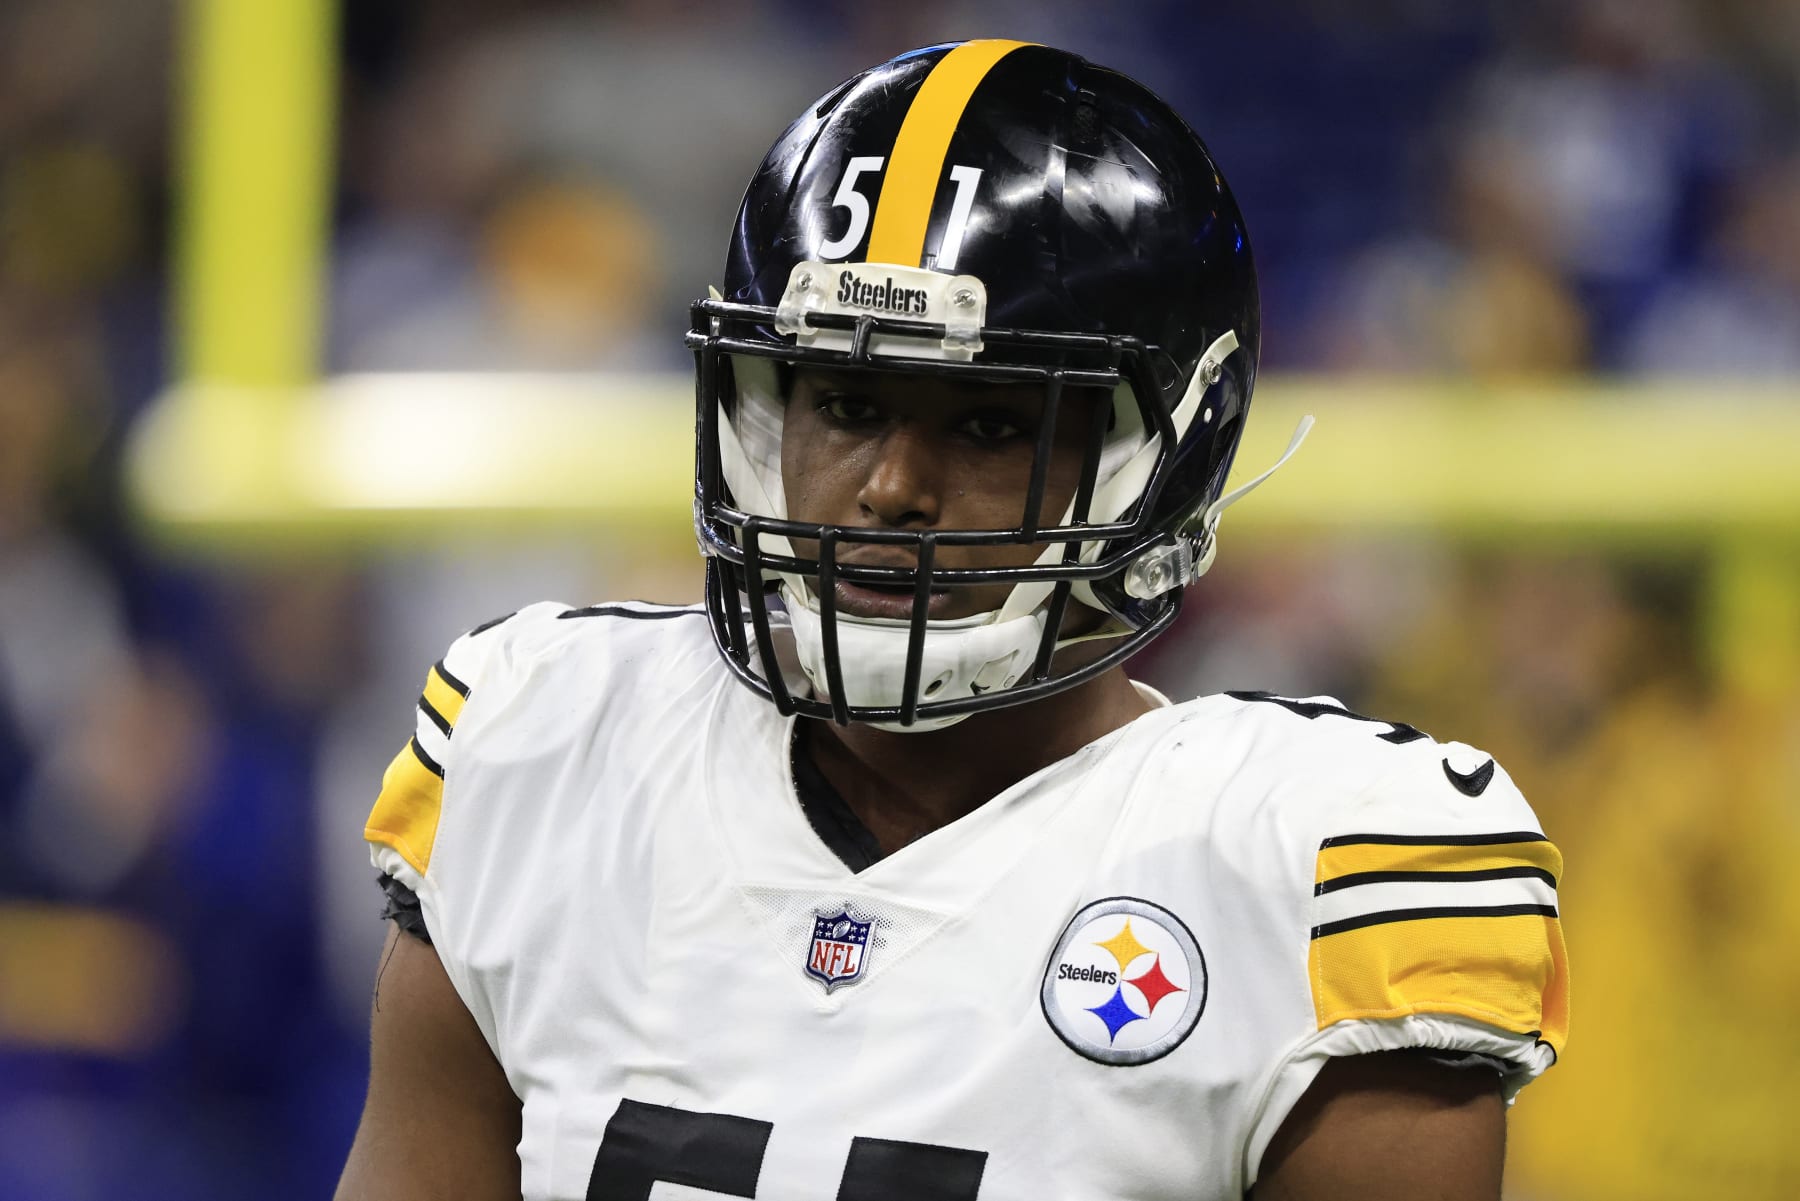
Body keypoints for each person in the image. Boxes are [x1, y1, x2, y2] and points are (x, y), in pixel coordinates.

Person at [336, 40, 1567, 1201]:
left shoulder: (1303, 864)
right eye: (848, 402)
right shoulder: (546, 743)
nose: (890, 487)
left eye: (987, 424)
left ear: (1164, 457)